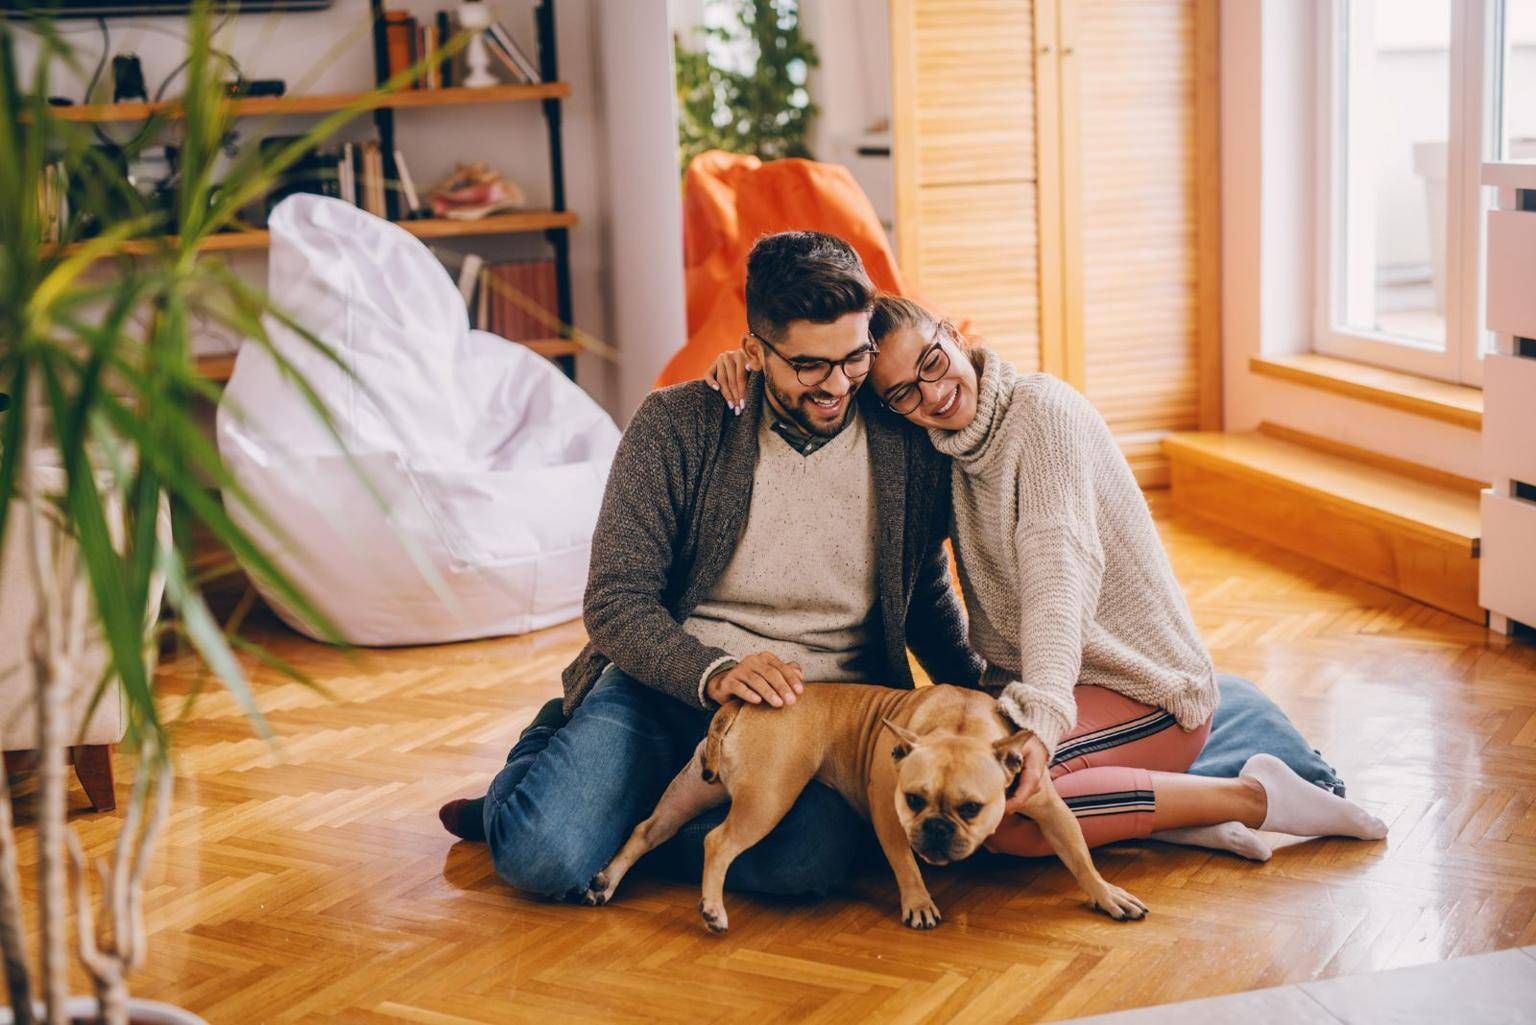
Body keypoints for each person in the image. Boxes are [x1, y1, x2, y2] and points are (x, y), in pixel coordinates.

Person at [704, 294, 1388, 860]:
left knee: (1006, 803)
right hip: (1049, 689)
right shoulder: (941, 446)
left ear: (951, 330)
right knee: (976, 794)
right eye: (905, 393)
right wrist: (749, 369)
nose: (935, 393)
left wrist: (1045, 720)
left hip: (1142, 686)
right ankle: (1171, 813)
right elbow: (830, 402)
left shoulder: (1043, 414)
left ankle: (1258, 795)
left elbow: (1060, 573)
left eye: (935, 363)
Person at [438, 232, 984, 900]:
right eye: (810, 366)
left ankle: (645, 822)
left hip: (818, 719)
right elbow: (616, 599)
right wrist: (716, 671)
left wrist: (980, 698)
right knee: (542, 856)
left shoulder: (902, 436)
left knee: (809, 866)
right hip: (666, 689)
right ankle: (548, 758)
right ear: (754, 351)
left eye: (854, 358)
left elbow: (923, 594)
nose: (837, 385)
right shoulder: (680, 424)